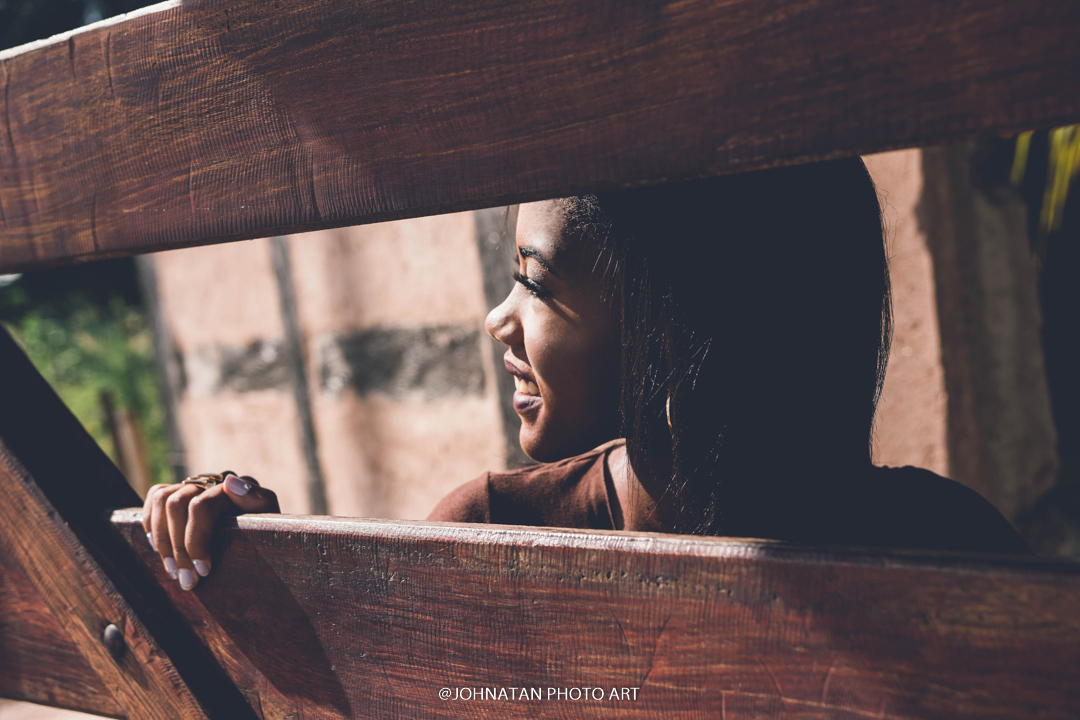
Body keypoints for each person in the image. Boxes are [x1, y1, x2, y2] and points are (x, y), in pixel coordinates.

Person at [143, 158, 1031, 592]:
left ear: (676, 315)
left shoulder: (950, 548)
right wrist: (263, 581)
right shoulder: (487, 535)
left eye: (533, 280)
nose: (498, 319)